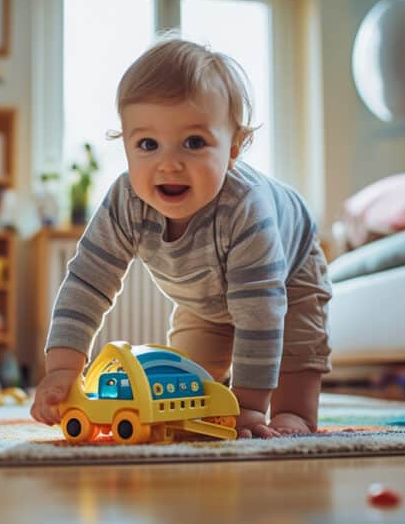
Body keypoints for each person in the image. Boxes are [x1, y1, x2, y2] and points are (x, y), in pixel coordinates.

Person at [30, 37, 332, 438]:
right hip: (203, 298)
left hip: (286, 279)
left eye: (193, 143)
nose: (169, 163)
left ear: (234, 147)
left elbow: (260, 314)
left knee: (294, 355)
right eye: (148, 144)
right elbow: (86, 282)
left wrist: (249, 410)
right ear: (125, 145)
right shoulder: (126, 202)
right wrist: (63, 368)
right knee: (187, 386)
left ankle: (295, 414)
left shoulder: (246, 209)